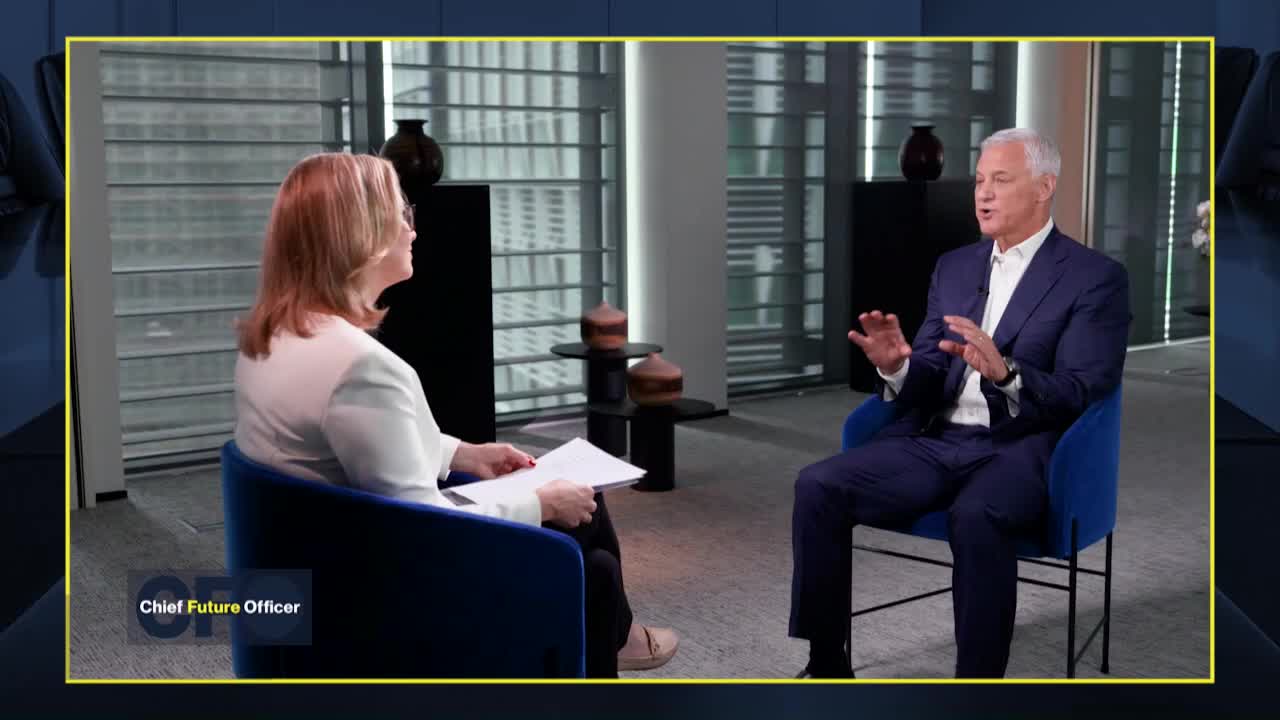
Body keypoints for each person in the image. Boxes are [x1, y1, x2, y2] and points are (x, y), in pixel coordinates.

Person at [232, 152, 677, 678]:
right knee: (590, 563)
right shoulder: (361, 366)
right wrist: (539, 505)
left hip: (326, 550)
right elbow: (424, 529)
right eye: (401, 214)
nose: (413, 229)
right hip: (379, 583)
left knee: (583, 507)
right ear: (359, 235)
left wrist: (463, 453)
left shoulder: (274, 337)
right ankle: (613, 642)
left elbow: (354, 439)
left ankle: (617, 638)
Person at [789, 128, 1131, 678]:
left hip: (1021, 446)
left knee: (975, 516)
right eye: (979, 181)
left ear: (1044, 187)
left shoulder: (1094, 278)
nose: (983, 194)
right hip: (936, 439)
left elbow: (1083, 390)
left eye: (1001, 180)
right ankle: (827, 662)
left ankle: (976, 685)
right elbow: (929, 369)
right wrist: (897, 366)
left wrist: (1007, 374)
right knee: (818, 485)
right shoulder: (954, 267)